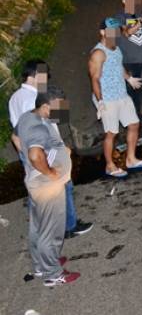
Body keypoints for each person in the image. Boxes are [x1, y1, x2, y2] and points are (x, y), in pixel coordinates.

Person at [9, 60, 93, 239]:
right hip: (44, 152)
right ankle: (68, 227)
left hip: (31, 151)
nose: (47, 79)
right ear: (35, 76)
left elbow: (17, 133)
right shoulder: (32, 100)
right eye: (45, 75)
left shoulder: (15, 98)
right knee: (63, 186)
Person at [16, 86, 81, 286]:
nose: (62, 110)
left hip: (36, 182)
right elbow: (35, 155)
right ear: (45, 106)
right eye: (58, 106)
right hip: (47, 186)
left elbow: (15, 137)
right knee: (50, 231)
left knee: (38, 226)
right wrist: (51, 172)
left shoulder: (28, 117)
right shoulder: (37, 128)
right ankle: (53, 274)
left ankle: (41, 264)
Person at [88, 17, 142, 178]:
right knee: (111, 133)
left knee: (134, 124)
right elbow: (94, 79)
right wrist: (100, 102)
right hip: (108, 99)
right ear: (103, 32)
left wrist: (129, 79)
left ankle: (131, 159)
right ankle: (110, 166)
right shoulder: (98, 53)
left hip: (121, 94)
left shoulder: (115, 48)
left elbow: (119, 66)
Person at [115, 0, 142, 119]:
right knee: (129, 90)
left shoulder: (140, 13)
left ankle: (136, 114)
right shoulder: (119, 17)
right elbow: (127, 33)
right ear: (124, 1)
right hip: (128, 61)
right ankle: (127, 117)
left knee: (140, 89)